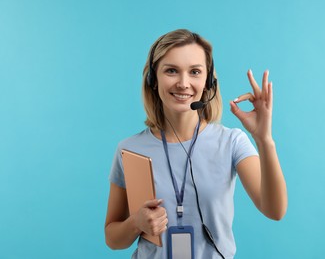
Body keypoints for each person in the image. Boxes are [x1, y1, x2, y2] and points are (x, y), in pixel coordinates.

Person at [104, 29, 287, 259]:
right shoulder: (129, 149)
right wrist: (135, 223)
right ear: (153, 78)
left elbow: (275, 210)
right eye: (171, 70)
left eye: (195, 72)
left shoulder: (231, 142)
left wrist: (264, 140)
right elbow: (112, 238)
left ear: (208, 82)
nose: (183, 83)